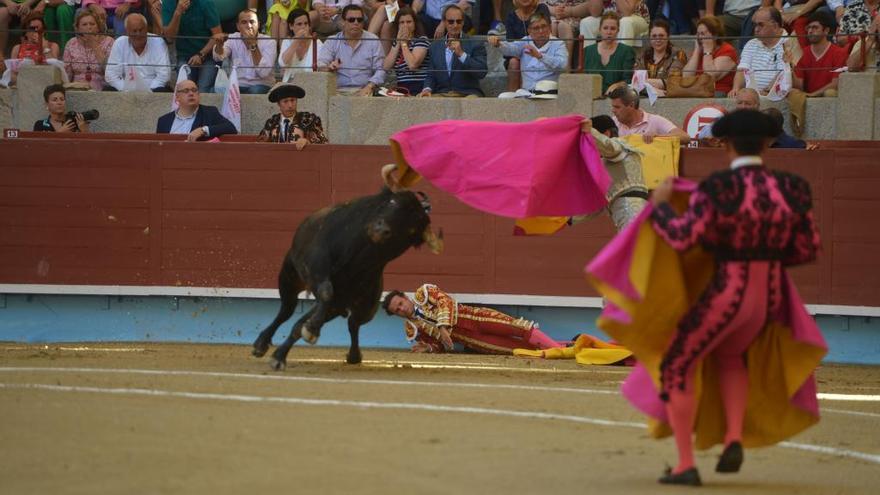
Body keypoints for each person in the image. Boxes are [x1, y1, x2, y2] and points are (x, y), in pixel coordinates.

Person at [640, 109, 822, 485]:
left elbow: (681, 238)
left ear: (725, 145)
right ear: (769, 144)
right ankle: (733, 438)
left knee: (676, 364)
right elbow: (806, 250)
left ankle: (685, 465)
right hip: (768, 299)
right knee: (732, 357)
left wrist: (658, 206)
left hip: (728, 291)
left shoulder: (718, 188)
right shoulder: (793, 188)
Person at [382, 284, 565, 354]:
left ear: (405, 297)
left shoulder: (425, 293)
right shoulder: (412, 330)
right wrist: (429, 348)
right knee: (515, 349)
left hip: (477, 318)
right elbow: (440, 346)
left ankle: (559, 349)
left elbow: (446, 302)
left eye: (400, 303)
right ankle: (563, 348)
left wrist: (443, 327)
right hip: (474, 340)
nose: (401, 309)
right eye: (397, 310)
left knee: (519, 328)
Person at [576, 114, 647, 230]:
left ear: (606, 134)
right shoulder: (604, 162)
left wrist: (590, 132)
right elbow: (598, 203)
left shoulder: (620, 145)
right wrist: (568, 220)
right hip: (626, 212)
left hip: (631, 210)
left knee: (634, 245)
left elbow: (609, 147)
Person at [488, 11, 568, 93]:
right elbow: (511, 48)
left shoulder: (558, 43)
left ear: (550, 27)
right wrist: (498, 43)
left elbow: (563, 65)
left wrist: (540, 56)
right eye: (536, 28)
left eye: (544, 26)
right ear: (529, 31)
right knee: (504, 97)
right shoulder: (525, 41)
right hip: (527, 93)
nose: (541, 31)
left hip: (549, 93)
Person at [729, 6, 800, 98]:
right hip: (752, 96)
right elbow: (742, 70)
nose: (756, 29)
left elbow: (785, 75)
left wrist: (768, 91)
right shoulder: (751, 44)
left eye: (760, 25)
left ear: (775, 26)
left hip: (777, 96)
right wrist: (736, 88)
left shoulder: (788, 43)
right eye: (755, 25)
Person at [419, 4, 488, 97]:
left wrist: (461, 54)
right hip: (443, 94)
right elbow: (431, 74)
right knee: (423, 100)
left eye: (459, 21)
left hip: (468, 94)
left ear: (463, 22)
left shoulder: (475, 43)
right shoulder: (435, 46)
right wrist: (427, 89)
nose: (455, 25)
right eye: (451, 22)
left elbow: (481, 72)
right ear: (444, 22)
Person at [317, 3, 386, 95]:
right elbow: (321, 64)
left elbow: (380, 69)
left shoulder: (372, 40)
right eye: (351, 20)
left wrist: (369, 86)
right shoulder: (332, 41)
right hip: (337, 91)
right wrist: (329, 68)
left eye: (359, 20)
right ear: (342, 22)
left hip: (365, 90)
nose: (356, 23)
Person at [162, 0, 224, 93]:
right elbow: (169, 38)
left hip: (208, 55)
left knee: (203, 89)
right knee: (184, 90)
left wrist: (201, 54)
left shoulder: (206, 3)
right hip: (185, 55)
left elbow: (217, 35)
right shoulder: (168, 3)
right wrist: (178, 13)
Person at [213, 9, 277, 94]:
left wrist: (253, 45)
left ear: (258, 24)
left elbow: (263, 73)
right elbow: (218, 57)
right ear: (238, 26)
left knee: (255, 91)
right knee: (219, 91)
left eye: (252, 22)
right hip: (238, 84)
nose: (249, 26)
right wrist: (219, 45)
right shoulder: (233, 38)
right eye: (244, 22)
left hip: (261, 84)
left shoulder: (269, 42)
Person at [104, 13, 171, 91]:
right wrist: (125, 90)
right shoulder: (119, 43)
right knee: (108, 90)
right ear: (127, 32)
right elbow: (111, 75)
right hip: (126, 89)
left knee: (164, 90)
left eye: (141, 30)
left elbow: (164, 75)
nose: (138, 34)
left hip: (153, 90)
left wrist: (148, 92)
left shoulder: (158, 42)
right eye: (134, 31)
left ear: (147, 29)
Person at [156, 79, 238, 141]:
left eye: (194, 90)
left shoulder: (209, 113)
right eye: (186, 91)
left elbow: (231, 128)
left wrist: (203, 130)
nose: (191, 93)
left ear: (198, 95)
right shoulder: (163, 121)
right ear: (177, 97)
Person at [497, 0, 552, 92]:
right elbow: (510, 46)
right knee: (514, 62)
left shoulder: (542, 9)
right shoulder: (511, 16)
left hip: (541, 52)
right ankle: (512, 100)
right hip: (518, 55)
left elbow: (546, 36)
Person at [792, 9, 847, 96]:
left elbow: (836, 84)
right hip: (807, 97)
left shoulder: (838, 53)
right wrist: (789, 67)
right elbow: (799, 86)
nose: (810, 31)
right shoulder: (805, 52)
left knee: (830, 93)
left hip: (827, 98)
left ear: (826, 31)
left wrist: (813, 95)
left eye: (815, 27)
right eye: (808, 28)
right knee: (793, 93)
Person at [682, 15, 738, 97]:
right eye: (698, 34)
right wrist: (697, 50)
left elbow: (710, 77)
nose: (700, 37)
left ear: (715, 36)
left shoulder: (727, 50)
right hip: (697, 91)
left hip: (718, 92)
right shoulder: (699, 51)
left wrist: (707, 51)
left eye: (703, 34)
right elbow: (686, 76)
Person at [608, 85, 690, 141]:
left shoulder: (654, 120)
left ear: (631, 105)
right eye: (613, 106)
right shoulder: (612, 122)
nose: (613, 110)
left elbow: (685, 137)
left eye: (617, 107)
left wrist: (657, 137)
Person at [258, 82, 329, 146]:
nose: (290, 105)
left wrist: (308, 142)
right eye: (285, 101)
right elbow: (260, 145)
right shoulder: (272, 122)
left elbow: (323, 143)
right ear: (279, 104)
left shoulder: (309, 120)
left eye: (292, 100)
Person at [582, 11, 635, 95]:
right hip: (590, 96)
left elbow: (628, 80)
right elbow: (582, 79)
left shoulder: (626, 51)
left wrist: (617, 85)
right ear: (600, 30)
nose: (609, 32)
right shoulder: (587, 51)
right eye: (605, 28)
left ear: (618, 30)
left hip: (617, 97)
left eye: (613, 28)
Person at [382, 6, 430, 95]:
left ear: (415, 23)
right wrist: (398, 42)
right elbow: (386, 67)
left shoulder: (422, 40)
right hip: (402, 87)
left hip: (419, 87)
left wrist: (403, 43)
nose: (405, 25)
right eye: (402, 22)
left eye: (409, 22)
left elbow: (413, 64)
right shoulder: (397, 42)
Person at [63, 9, 114, 91]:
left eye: (92, 24)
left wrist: (94, 45)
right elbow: (66, 74)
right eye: (84, 24)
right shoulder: (71, 43)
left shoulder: (109, 41)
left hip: (102, 89)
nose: (89, 27)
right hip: (77, 89)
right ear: (78, 28)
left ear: (98, 27)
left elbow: (110, 70)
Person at [634, 17, 687, 94]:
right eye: (654, 36)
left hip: (669, 98)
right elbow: (637, 80)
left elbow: (674, 81)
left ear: (668, 37)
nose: (658, 39)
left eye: (661, 36)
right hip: (646, 96)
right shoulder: (644, 55)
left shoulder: (678, 54)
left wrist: (646, 82)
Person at [8, 14, 60, 87]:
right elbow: (12, 76)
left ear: (44, 31)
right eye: (32, 28)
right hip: (23, 85)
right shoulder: (17, 48)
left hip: (46, 84)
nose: (36, 31)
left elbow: (55, 68)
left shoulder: (53, 46)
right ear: (25, 32)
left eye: (39, 28)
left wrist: (44, 47)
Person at [279, 8, 324, 82]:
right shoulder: (287, 42)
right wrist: (296, 41)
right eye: (299, 24)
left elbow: (321, 67)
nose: (303, 27)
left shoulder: (317, 43)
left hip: (310, 84)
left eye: (306, 24)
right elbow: (282, 63)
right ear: (291, 26)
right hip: (289, 86)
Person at [580, 0, 650, 47]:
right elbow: (595, 13)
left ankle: (622, 63)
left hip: (636, 17)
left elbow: (627, 12)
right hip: (609, 18)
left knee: (625, 22)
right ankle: (589, 63)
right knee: (586, 22)